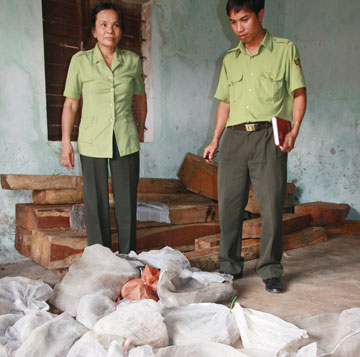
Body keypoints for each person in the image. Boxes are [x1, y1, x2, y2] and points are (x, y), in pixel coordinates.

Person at [203, 0, 306, 293]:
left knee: (272, 206)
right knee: (229, 207)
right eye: (234, 22)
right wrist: (215, 139)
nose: (239, 29)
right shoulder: (230, 59)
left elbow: (298, 93)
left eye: (245, 20)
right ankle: (229, 267)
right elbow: (225, 102)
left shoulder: (285, 50)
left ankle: (271, 269)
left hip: (267, 138)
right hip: (234, 139)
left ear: (260, 14)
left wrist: (295, 130)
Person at [61, 2, 147, 254]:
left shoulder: (131, 61)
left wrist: (140, 126)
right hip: (92, 140)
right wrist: (66, 141)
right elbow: (70, 104)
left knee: (126, 202)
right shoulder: (81, 61)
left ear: (120, 30)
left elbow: (140, 98)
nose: (110, 30)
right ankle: (101, 259)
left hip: (125, 140)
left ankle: (129, 257)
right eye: (104, 25)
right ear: (94, 31)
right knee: (96, 204)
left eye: (116, 25)